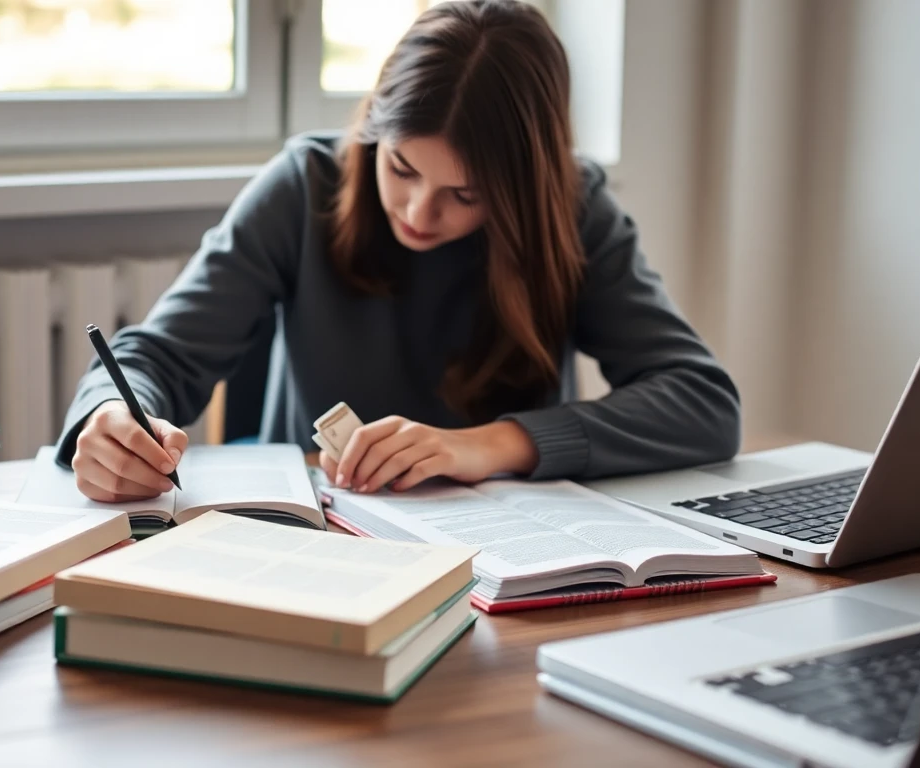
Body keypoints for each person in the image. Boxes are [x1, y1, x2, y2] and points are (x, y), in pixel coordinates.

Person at [57, 0, 740, 503]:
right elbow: (157, 356)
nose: (419, 212)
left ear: (525, 192)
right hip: (324, 548)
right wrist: (107, 420)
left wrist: (485, 445)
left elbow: (703, 403)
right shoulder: (305, 186)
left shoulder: (575, 206)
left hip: (513, 567)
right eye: (403, 170)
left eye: (466, 194)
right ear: (375, 129)